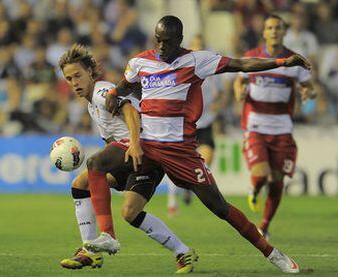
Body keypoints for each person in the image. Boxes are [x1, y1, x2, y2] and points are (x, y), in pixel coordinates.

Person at [95, 15, 311, 273]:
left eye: (168, 41)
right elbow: (124, 86)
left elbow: (241, 64)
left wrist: (282, 62)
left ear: (180, 40)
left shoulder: (197, 60)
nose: (162, 46)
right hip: (147, 145)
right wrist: (112, 93)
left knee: (220, 208)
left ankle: (272, 253)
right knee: (95, 164)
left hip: (180, 151)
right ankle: (107, 235)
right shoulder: (139, 62)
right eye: (158, 40)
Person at [58, 44, 197, 273]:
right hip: (128, 157)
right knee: (122, 209)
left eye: (78, 75)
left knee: (93, 166)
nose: (74, 82)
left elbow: (131, 113)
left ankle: (104, 238)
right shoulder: (93, 104)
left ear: (91, 72)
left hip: (144, 151)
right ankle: (183, 252)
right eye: (69, 78)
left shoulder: (103, 92)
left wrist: (134, 144)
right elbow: (111, 141)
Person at [233, 14, 316, 239]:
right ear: (264, 32)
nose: (274, 31)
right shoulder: (251, 57)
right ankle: (254, 188)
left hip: (282, 127)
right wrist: (238, 90)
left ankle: (265, 226)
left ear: (284, 32)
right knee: (261, 175)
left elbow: (309, 86)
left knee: (277, 180)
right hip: (256, 124)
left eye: (278, 27)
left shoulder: (295, 60)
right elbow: (239, 79)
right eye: (270, 27)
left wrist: (309, 93)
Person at [167, 34, 225, 216]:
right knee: (176, 164)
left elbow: (222, 93)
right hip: (185, 124)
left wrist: (218, 104)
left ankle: (188, 187)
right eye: (195, 45)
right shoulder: (183, 68)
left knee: (207, 159)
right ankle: (172, 200)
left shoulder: (211, 71)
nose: (198, 49)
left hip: (205, 122)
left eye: (201, 45)